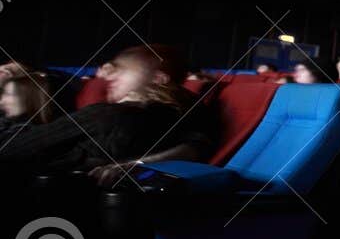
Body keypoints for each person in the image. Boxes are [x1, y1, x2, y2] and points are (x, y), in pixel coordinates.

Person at [0, 45, 217, 182]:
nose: (109, 75)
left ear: (157, 78)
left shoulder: (110, 114)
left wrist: (134, 165)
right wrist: (139, 164)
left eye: (121, 69)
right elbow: (197, 145)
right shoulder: (189, 112)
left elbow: (12, 148)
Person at [0, 70, 58, 142]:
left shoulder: (23, 136)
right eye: (3, 94)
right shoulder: (8, 124)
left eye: (9, 94)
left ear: (30, 97)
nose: (1, 102)